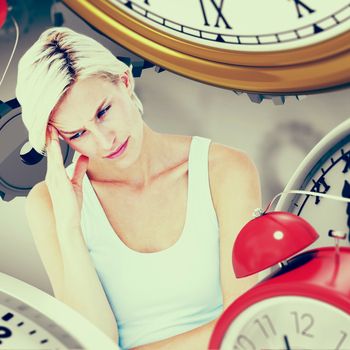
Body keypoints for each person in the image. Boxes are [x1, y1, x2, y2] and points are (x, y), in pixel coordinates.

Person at [16, 27, 261, 350]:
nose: (104, 141)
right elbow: (91, 341)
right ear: (56, 137)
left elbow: (246, 326)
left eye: (103, 112)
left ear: (125, 81)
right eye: (77, 134)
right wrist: (70, 227)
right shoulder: (50, 203)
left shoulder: (225, 170)